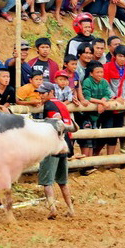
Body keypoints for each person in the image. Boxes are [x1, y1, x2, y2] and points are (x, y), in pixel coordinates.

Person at [35, 81, 76, 218]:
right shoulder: (61, 104)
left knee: (47, 181)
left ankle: (52, 209)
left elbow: (55, 124)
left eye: (43, 93)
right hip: (65, 145)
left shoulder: (49, 105)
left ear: (51, 93)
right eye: (39, 93)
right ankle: (70, 208)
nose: (40, 95)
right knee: (63, 181)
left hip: (53, 146)